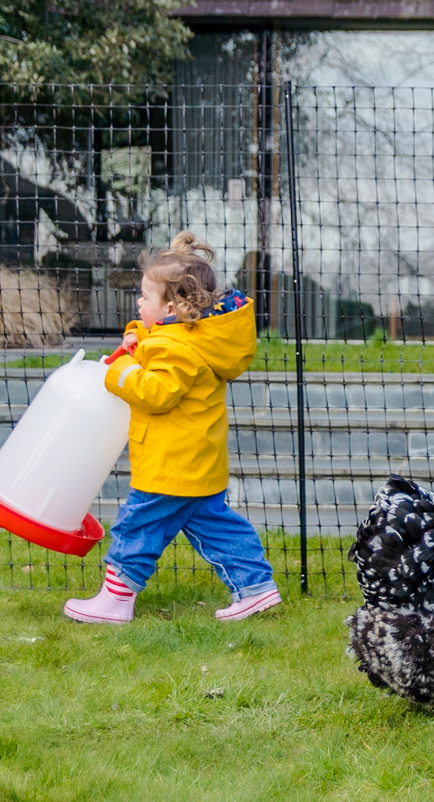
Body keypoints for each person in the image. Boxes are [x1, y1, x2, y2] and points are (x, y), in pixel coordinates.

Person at [64, 231, 281, 624]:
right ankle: (256, 588)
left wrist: (121, 370)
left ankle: (115, 601)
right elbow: (157, 338)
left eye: (144, 297)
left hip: (169, 466)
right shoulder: (191, 338)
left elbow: (156, 392)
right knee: (218, 528)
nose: (139, 302)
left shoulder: (174, 348)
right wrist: (137, 333)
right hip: (197, 464)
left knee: (136, 526)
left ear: (171, 307)